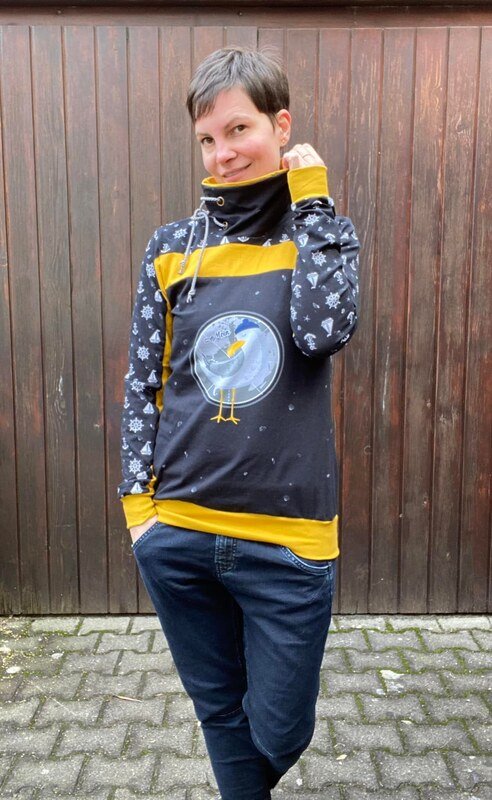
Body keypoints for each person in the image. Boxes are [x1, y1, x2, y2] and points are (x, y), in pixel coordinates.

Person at [118, 46, 360, 800]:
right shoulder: (171, 249)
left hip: (288, 544)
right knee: (219, 711)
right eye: (206, 138)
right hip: (179, 532)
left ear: (280, 126)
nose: (221, 154)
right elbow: (143, 381)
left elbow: (322, 330)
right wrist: (139, 512)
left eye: (239, 129)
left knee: (280, 729)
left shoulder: (319, 236)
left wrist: (312, 203)